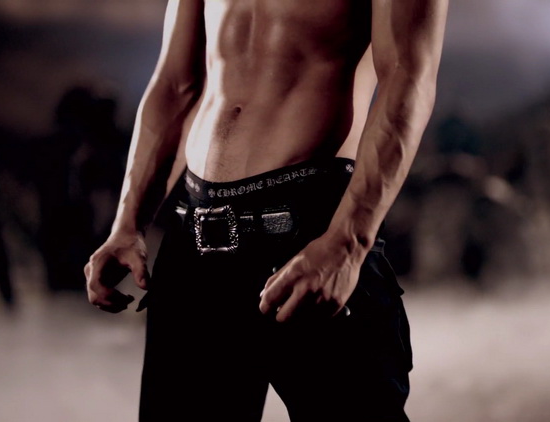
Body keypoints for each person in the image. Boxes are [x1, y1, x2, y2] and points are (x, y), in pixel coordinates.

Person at [85, 1, 448, 421]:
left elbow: (409, 81)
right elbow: (175, 84)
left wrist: (347, 243)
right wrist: (127, 223)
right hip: (195, 246)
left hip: (313, 241)